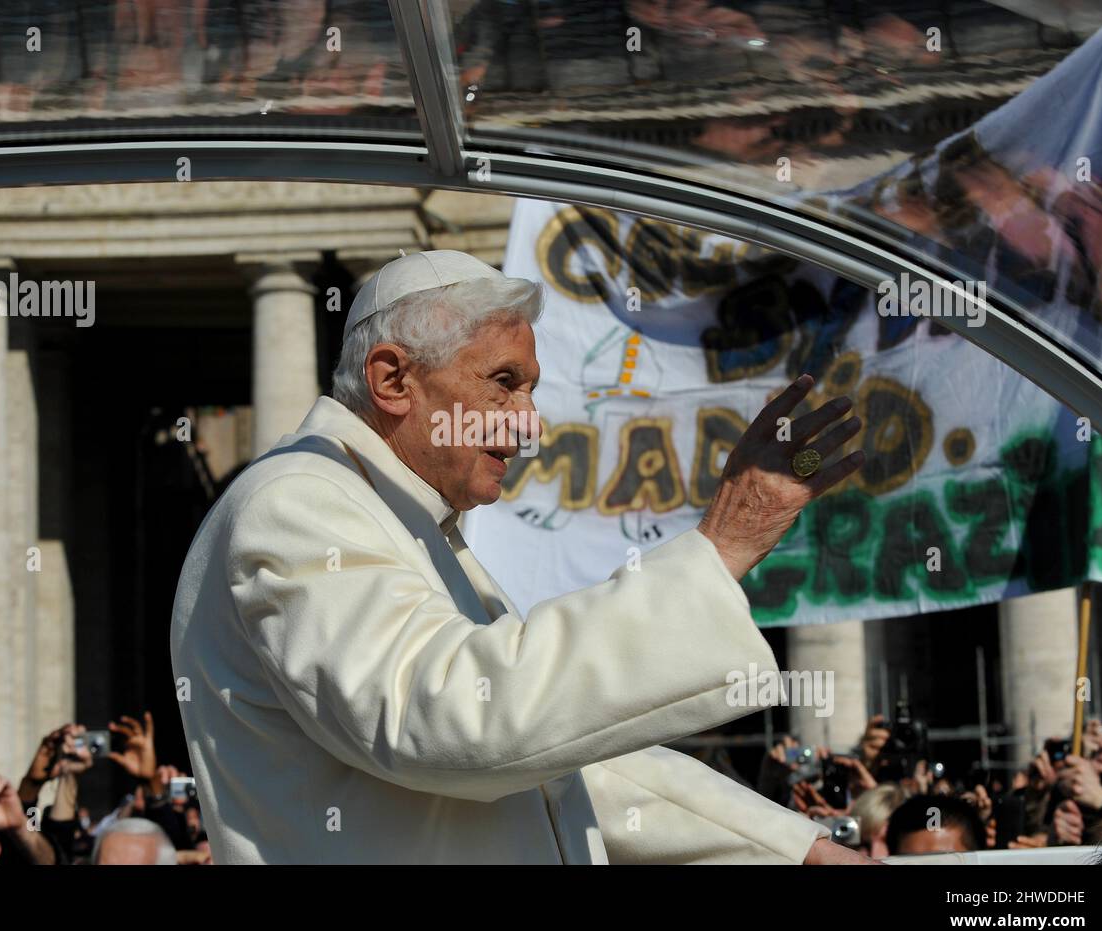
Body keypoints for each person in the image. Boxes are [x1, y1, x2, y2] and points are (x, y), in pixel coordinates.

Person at [171, 249, 869, 864]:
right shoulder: (296, 503)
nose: (528, 422)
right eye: (504, 382)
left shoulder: (408, 523)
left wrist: (790, 847)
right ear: (392, 380)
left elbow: (566, 769)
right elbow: (449, 720)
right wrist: (721, 545)